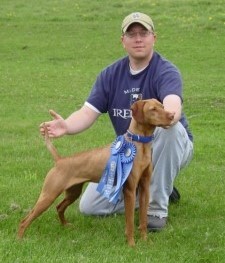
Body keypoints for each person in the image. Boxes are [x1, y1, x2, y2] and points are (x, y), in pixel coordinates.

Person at [40, 12, 193, 232]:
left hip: (172, 146)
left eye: (144, 33)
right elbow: (86, 113)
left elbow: (172, 104)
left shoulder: (165, 70)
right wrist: (67, 126)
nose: (138, 38)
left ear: (154, 38)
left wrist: (170, 115)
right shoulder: (110, 74)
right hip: (129, 149)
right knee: (90, 206)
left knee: (169, 130)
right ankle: (151, 188)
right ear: (123, 41)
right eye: (131, 34)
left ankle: (156, 209)